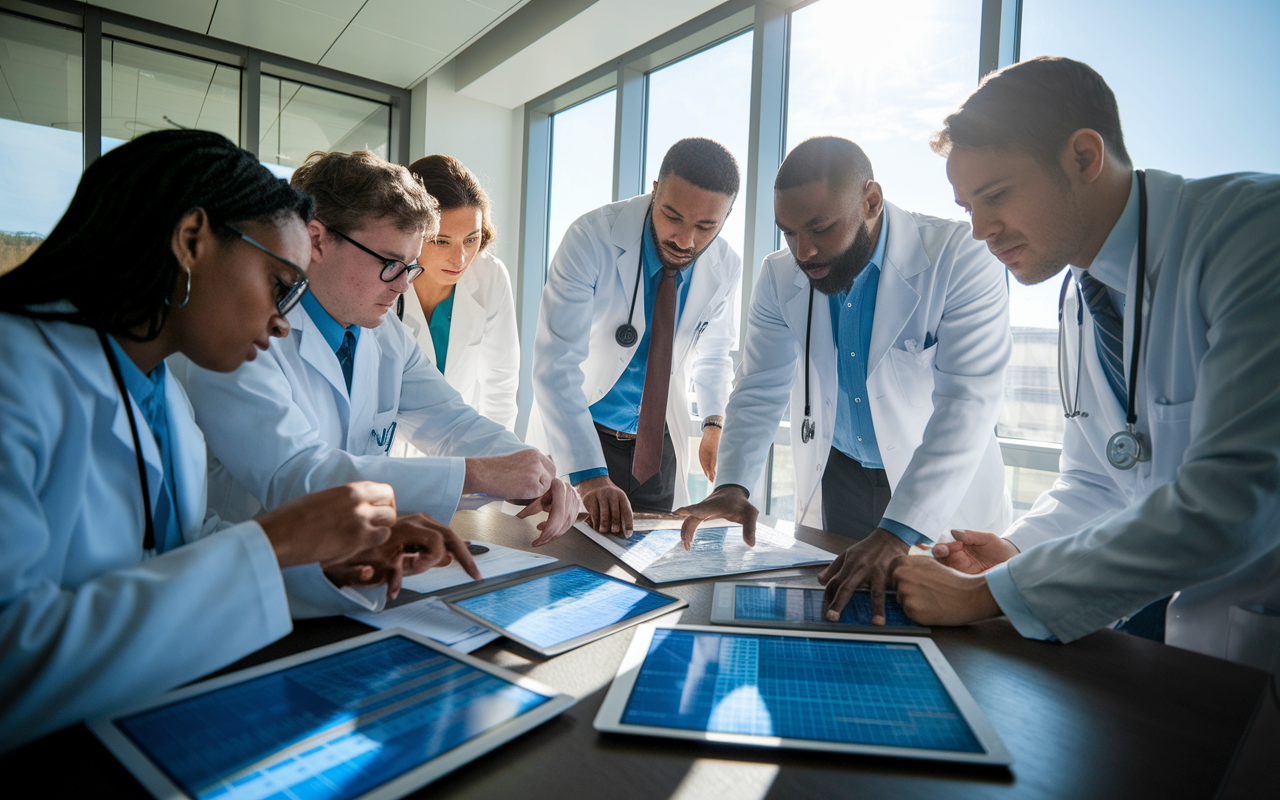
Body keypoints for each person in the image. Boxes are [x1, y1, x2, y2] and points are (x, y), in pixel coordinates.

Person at [0, 130, 479, 752]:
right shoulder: (15, 372)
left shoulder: (162, 395)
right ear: (193, 240)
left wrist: (323, 564)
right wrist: (275, 539)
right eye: (280, 284)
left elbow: (167, 557)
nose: (283, 320)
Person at [891, 56, 1280, 665]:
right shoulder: (1081, 295)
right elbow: (1098, 479)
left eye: (995, 195)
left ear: (1083, 156)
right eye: (969, 207)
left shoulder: (1254, 231)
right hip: (1167, 644)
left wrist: (990, 597)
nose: (981, 232)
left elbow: (1236, 499)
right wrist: (1017, 555)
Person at [179, 151, 575, 564]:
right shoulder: (244, 337)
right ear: (317, 241)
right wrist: (476, 474)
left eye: (409, 266)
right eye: (389, 264)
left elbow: (452, 421)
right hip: (257, 583)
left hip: (356, 568)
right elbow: (296, 476)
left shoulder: (385, 337)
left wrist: (531, 470)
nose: (403, 287)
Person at [679, 136, 1011, 623]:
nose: (804, 251)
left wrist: (899, 531)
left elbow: (968, 405)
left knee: (941, 633)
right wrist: (733, 484)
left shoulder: (960, 258)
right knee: (841, 614)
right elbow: (759, 387)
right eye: (788, 233)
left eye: (820, 228)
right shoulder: (778, 277)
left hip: (936, 488)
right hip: (839, 479)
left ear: (870, 201)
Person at [528, 137, 741, 534]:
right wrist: (590, 474)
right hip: (583, 436)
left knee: (646, 572)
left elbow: (714, 353)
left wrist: (713, 423)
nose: (685, 240)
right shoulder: (591, 238)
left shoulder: (725, 265)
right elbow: (555, 365)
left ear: (727, 216)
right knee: (568, 565)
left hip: (655, 451)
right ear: (655, 189)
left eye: (706, 226)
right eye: (673, 217)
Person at [393, 154, 519, 435]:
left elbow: (500, 383)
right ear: (410, 231)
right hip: (390, 450)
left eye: (471, 240)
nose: (460, 259)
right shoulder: (383, 279)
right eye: (441, 241)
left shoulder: (490, 276)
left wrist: (500, 462)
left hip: (464, 447)